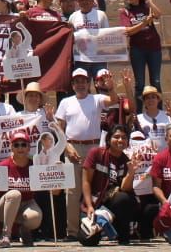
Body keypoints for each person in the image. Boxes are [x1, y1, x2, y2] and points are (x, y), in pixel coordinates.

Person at [55, 68, 115, 238]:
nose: (80, 84)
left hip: (93, 148)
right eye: (77, 82)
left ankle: (97, 227)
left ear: (89, 83)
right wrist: (66, 146)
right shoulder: (65, 102)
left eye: (83, 81)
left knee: (96, 189)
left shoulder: (97, 99)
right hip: (72, 148)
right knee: (72, 192)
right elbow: (59, 128)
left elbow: (114, 100)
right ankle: (72, 231)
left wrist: (110, 87)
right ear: (72, 85)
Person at [80, 124, 138, 245]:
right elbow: (86, 181)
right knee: (88, 240)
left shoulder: (126, 161)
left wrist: (131, 172)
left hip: (112, 205)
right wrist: (89, 206)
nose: (120, 140)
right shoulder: (96, 153)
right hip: (94, 204)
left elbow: (125, 188)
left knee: (125, 198)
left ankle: (122, 233)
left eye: (124, 137)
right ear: (108, 139)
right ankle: (102, 226)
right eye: (116, 137)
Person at [0, 130, 43, 247]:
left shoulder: (34, 166)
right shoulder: (2, 166)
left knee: (35, 218)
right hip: (4, 206)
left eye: (23, 144)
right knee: (14, 194)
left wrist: (56, 168)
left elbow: (54, 191)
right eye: (16, 145)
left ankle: (24, 230)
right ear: (11, 147)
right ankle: (6, 235)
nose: (20, 148)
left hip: (26, 204)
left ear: (29, 147)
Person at [120, 0, 161, 105]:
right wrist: (144, 23)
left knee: (156, 82)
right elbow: (128, 31)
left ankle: (159, 111)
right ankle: (138, 112)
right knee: (140, 83)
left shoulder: (146, 7)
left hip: (154, 48)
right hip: (137, 50)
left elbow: (158, 14)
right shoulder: (125, 11)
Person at [69, 0, 109, 76]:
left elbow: (107, 34)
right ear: (78, 2)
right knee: (81, 83)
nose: (84, 2)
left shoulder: (101, 14)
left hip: (98, 58)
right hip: (81, 59)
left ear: (92, 0)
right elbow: (70, 37)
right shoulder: (73, 16)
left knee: (102, 82)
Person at [135, 86, 171, 152]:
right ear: (144, 101)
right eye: (147, 98)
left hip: (166, 154)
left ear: (158, 100)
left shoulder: (167, 115)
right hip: (147, 155)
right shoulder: (139, 118)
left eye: (153, 97)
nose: (150, 100)